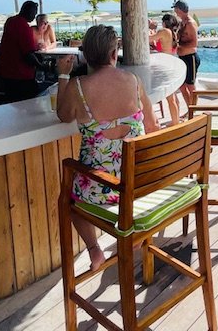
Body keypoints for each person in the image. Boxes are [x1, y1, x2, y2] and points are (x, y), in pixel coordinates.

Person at [56, 25, 159, 270]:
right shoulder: (133, 81)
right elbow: (153, 126)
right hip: (137, 183)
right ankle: (133, 232)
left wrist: (62, 76)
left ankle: (94, 250)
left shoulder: (78, 86)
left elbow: (63, 116)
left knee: (68, 197)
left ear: (86, 56)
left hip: (99, 187)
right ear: (115, 54)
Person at [0, 0, 46, 102]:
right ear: (28, 11)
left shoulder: (10, 21)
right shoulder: (23, 26)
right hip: (20, 75)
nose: (34, 16)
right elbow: (28, 55)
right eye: (34, 12)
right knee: (29, 103)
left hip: (7, 74)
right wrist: (41, 66)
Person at [149, 13, 180, 124]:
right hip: (171, 65)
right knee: (173, 97)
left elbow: (147, 39)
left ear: (165, 22)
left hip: (165, 67)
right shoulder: (172, 33)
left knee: (170, 98)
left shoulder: (164, 32)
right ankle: (176, 120)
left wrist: (149, 27)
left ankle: (175, 123)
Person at [173, 0, 199, 108]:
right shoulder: (181, 23)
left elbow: (194, 43)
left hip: (190, 57)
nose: (175, 11)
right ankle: (190, 109)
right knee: (182, 86)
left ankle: (194, 110)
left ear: (180, 9)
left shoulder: (190, 23)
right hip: (182, 57)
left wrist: (180, 47)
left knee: (190, 86)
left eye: (176, 9)